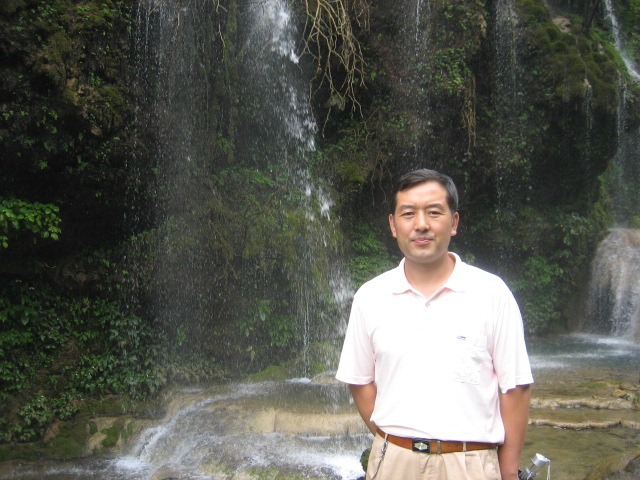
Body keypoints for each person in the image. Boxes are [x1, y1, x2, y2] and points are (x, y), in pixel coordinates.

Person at [336, 169, 533, 480]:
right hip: (393, 461)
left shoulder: (492, 293)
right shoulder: (370, 297)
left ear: (454, 222)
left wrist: (508, 472)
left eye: (434, 212)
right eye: (408, 213)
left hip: (471, 463)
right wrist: (395, 442)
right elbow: (359, 380)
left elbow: (516, 387)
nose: (421, 224)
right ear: (393, 225)